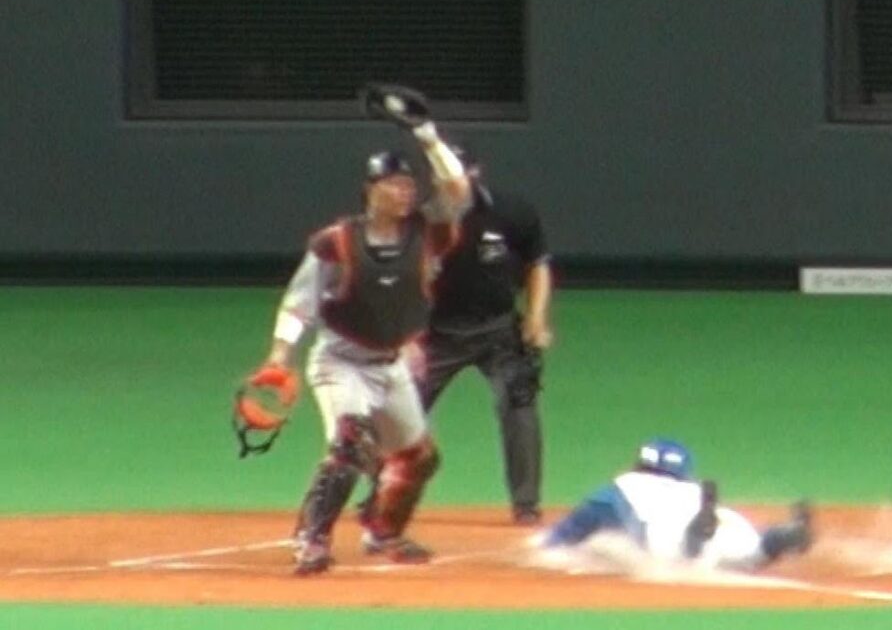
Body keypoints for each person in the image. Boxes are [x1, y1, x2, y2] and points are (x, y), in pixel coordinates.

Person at [252, 118, 471, 575]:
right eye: (394, 184)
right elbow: (300, 301)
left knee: (419, 458)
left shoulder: (426, 233)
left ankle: (383, 529)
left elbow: (457, 190)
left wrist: (429, 137)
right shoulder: (337, 242)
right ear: (371, 189)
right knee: (350, 445)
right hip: (341, 362)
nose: (405, 192)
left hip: (391, 364)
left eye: (409, 184)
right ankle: (312, 540)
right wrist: (280, 353)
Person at [417, 147, 553, 525]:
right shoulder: (421, 221)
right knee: (400, 412)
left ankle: (526, 503)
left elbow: (537, 263)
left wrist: (536, 318)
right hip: (437, 334)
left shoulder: (511, 211)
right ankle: (384, 496)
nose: (447, 182)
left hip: (498, 330)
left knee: (519, 403)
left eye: (455, 173)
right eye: (440, 174)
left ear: (474, 173)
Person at [540, 438, 813, 572]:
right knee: (751, 551)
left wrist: (552, 547)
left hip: (669, 534)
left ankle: (695, 539)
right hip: (724, 522)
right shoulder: (690, 488)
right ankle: (781, 536)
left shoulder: (619, 489)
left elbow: (564, 536)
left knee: (684, 555)